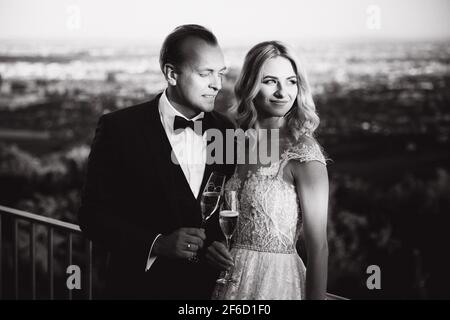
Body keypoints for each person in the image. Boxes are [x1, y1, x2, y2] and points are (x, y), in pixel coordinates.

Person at [78, 24, 234, 299]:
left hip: (206, 293)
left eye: (220, 73)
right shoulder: (119, 128)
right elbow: (92, 216)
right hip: (137, 289)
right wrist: (157, 244)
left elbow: (229, 207)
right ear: (171, 74)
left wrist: (217, 245)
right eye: (205, 73)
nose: (217, 84)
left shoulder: (226, 131)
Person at [206, 41, 329, 300]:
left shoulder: (303, 152)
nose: (283, 92)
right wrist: (213, 246)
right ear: (250, 84)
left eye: (291, 81)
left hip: (277, 285)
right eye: (271, 81)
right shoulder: (234, 143)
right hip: (229, 285)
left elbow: (318, 248)